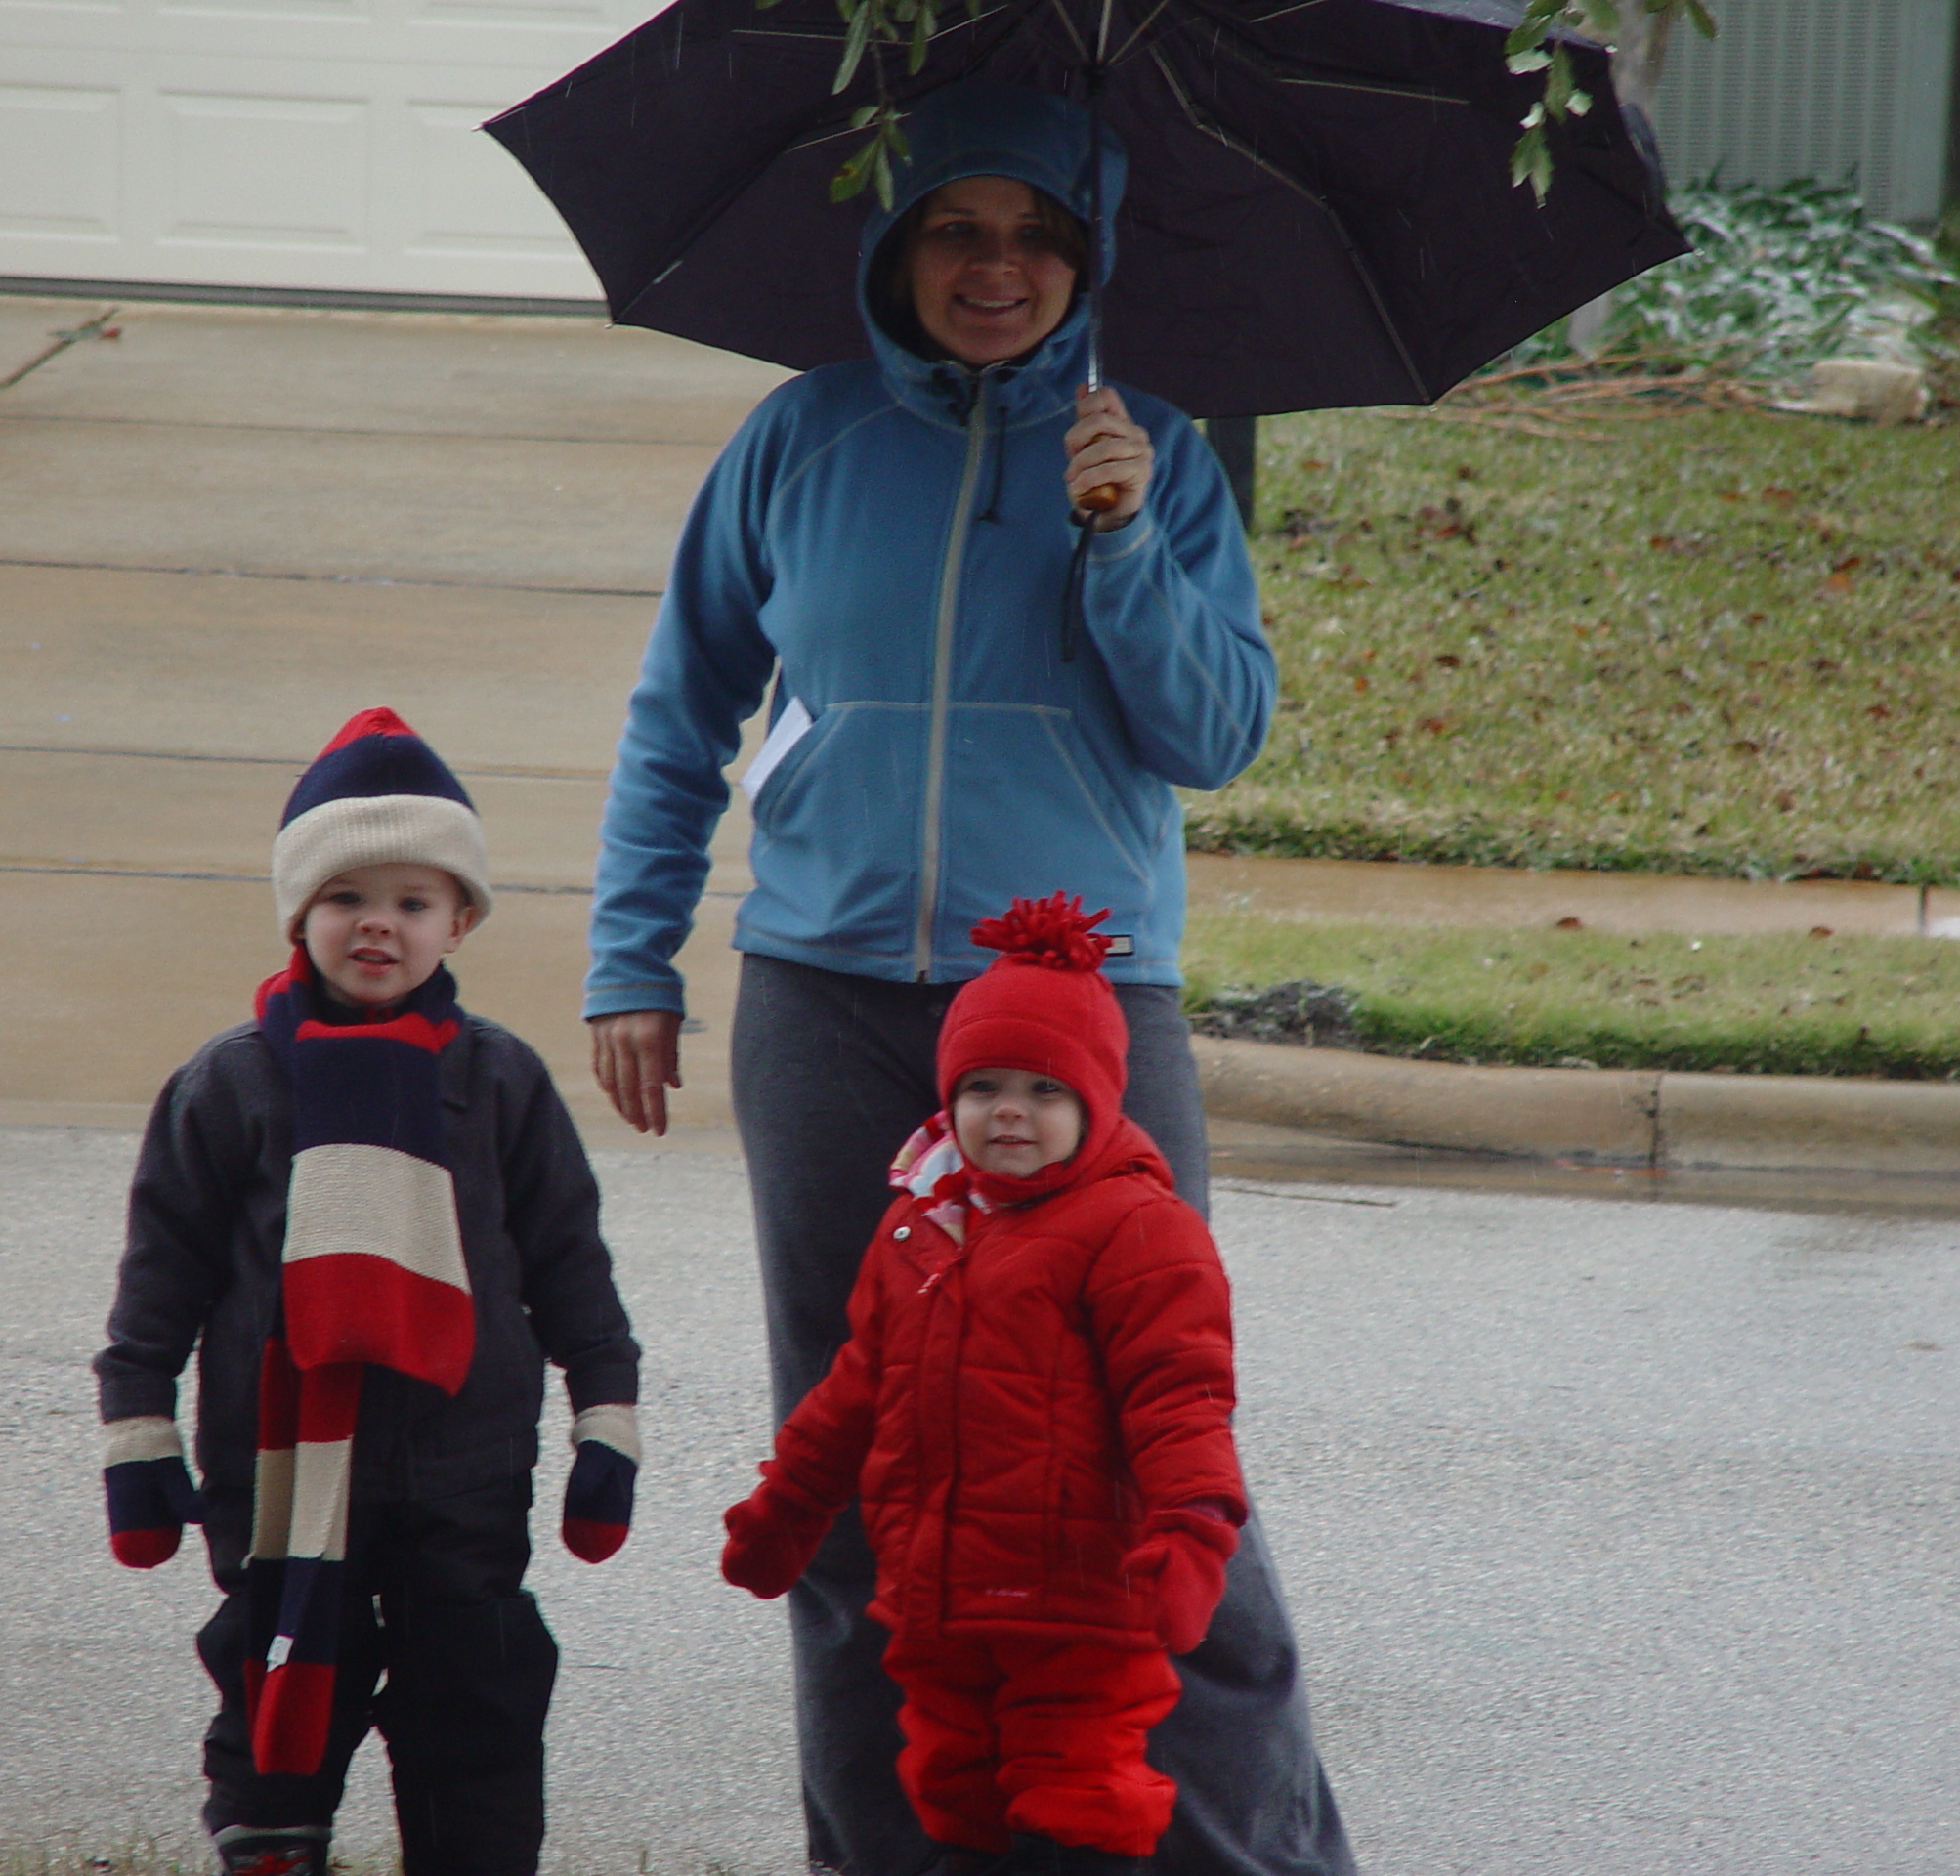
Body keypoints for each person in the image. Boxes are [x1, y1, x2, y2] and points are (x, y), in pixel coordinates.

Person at [585, 78, 1350, 1876]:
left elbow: (1215, 731)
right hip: (829, 1001)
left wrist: (1122, 537)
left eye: (1033, 234)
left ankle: (1251, 1852)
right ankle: (896, 1852)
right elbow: (682, 709)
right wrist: (636, 952)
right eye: (954, 227)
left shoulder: (1149, 443)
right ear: (894, 243)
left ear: (1086, 260)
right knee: (867, 1465)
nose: (992, 268)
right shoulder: (800, 441)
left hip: (1082, 1007)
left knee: (1159, 1466)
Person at [97, 707, 643, 1876]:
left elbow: (566, 1260)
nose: (378, 926)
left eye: (412, 900)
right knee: (282, 1669)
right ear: (301, 915)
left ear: (459, 919)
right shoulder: (235, 1083)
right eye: (348, 898)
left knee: (476, 1686)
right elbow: (166, 1269)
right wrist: (136, 1433)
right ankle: (273, 1845)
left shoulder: (498, 1083)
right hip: (283, 1468)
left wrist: (609, 1415)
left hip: (465, 1463)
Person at [720, 894, 1251, 1876]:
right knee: (953, 1804)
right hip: (940, 1607)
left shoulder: (1136, 1229)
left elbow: (1180, 1401)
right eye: (984, 1086)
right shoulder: (922, 1224)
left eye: (1045, 1090)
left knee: (1077, 1805)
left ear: (1098, 1100)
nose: (1009, 1110)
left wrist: (1190, 1531)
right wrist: (785, 1507)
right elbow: (851, 1394)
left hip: (1077, 1608)